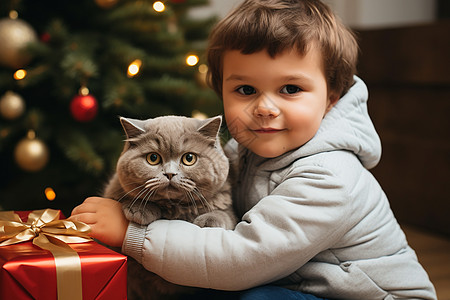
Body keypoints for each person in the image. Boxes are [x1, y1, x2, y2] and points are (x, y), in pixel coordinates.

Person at [70, 0, 437, 299]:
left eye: (290, 89)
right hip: (296, 283)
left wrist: (131, 234)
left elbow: (243, 259)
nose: (265, 108)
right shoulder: (245, 152)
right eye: (245, 90)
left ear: (331, 99)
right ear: (222, 93)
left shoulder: (331, 176)